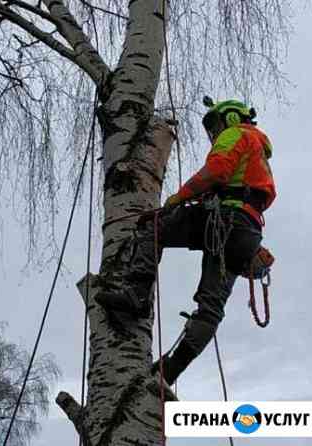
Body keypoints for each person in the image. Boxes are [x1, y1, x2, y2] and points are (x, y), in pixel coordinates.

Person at [95, 99, 277, 386]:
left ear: (230, 118)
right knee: (211, 308)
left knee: (153, 226)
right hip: (248, 232)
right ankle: (170, 371)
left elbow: (216, 170)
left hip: (226, 219)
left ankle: (136, 295)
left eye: (215, 126)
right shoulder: (260, 153)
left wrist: (176, 200)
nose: (214, 135)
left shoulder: (237, 134)